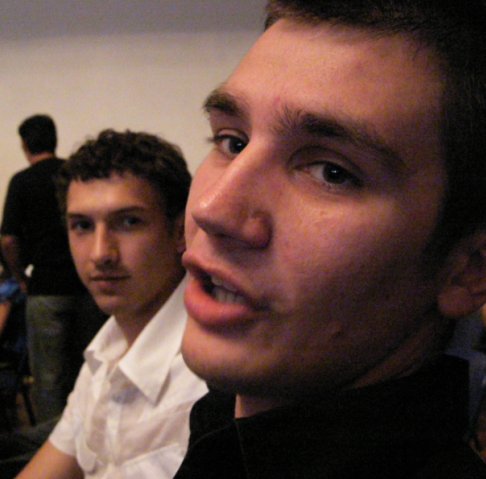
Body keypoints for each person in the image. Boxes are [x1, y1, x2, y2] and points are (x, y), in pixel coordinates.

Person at [174, 1, 486, 477]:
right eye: (232, 142)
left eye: (331, 172)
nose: (212, 210)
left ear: (469, 268)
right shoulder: (221, 425)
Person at [17, 129, 207, 478]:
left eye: (129, 222)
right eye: (82, 226)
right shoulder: (103, 353)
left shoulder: (210, 379)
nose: (101, 253)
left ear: (180, 232)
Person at [1, 114, 106, 423]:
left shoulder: (22, 181)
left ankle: (52, 441)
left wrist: (19, 276)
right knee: (91, 367)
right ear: (55, 139)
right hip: (87, 286)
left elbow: (8, 239)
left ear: (24, 145)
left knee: (48, 378)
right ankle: (92, 434)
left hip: (45, 288)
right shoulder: (74, 176)